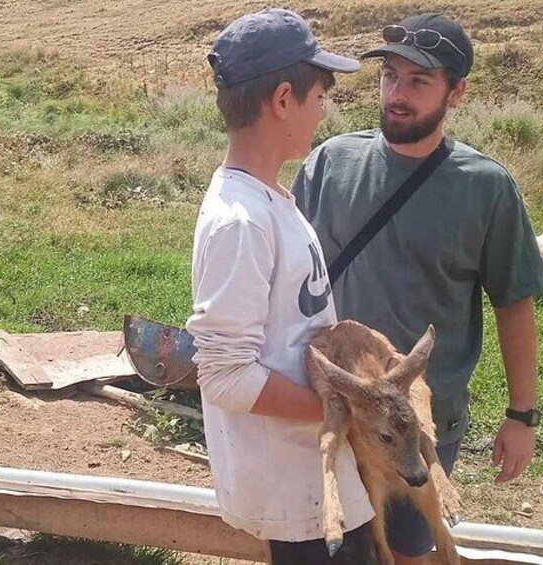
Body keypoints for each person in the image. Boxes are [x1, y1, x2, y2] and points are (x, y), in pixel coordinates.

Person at [291, 13, 543, 564]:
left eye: (418, 81)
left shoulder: (485, 187)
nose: (397, 94)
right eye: (390, 76)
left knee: (406, 551)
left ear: (457, 92)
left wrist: (522, 415)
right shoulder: (330, 164)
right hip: (332, 409)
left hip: (421, 422)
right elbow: (287, 277)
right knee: (325, 549)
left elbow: (514, 304)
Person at [184, 8, 377, 564]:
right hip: (293, 490)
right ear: (284, 99)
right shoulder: (241, 223)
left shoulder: (271, 201)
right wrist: (344, 410)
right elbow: (225, 376)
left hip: (315, 478)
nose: (323, 111)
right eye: (320, 96)